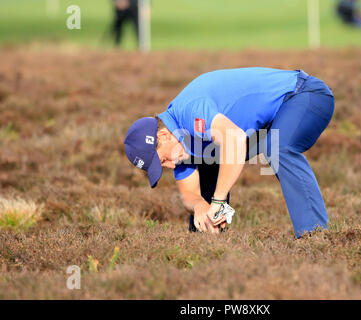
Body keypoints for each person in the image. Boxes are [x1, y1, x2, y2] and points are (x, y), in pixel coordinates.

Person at [124, 68, 335, 238]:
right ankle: (209, 245)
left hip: (306, 95)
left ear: (163, 136)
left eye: (163, 159)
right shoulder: (179, 143)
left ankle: (315, 236)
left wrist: (218, 201)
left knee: (276, 148)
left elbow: (234, 140)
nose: (170, 166)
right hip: (267, 123)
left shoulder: (190, 111)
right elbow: (188, 194)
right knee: (207, 158)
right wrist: (200, 207)